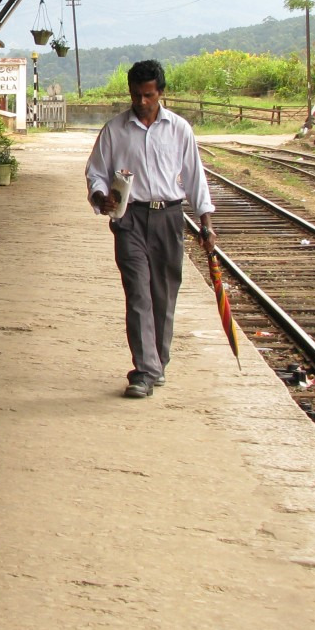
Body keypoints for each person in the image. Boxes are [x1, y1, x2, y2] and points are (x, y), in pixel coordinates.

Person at [85, 60, 216, 398]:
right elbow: (96, 171)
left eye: (147, 95)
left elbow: (194, 176)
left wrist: (206, 222)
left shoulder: (179, 130)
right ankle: (143, 370)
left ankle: (158, 362)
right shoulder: (115, 130)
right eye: (135, 95)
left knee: (163, 295)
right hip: (130, 220)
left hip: (169, 218)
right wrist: (100, 196)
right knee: (139, 295)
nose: (141, 102)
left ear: (161, 93)